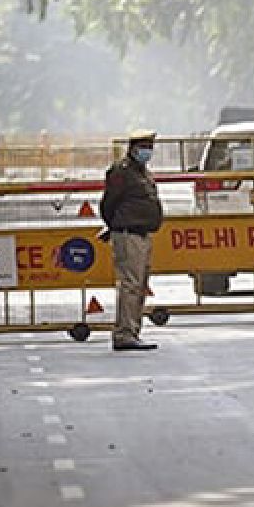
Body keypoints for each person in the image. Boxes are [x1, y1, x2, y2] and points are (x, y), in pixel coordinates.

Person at [99, 129, 163, 351]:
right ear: (133, 148)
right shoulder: (122, 171)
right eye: (144, 147)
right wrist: (116, 224)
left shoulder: (142, 172)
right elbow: (108, 203)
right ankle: (124, 333)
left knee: (139, 284)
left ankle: (133, 330)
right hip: (128, 234)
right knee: (131, 285)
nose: (148, 151)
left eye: (150, 147)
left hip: (142, 234)